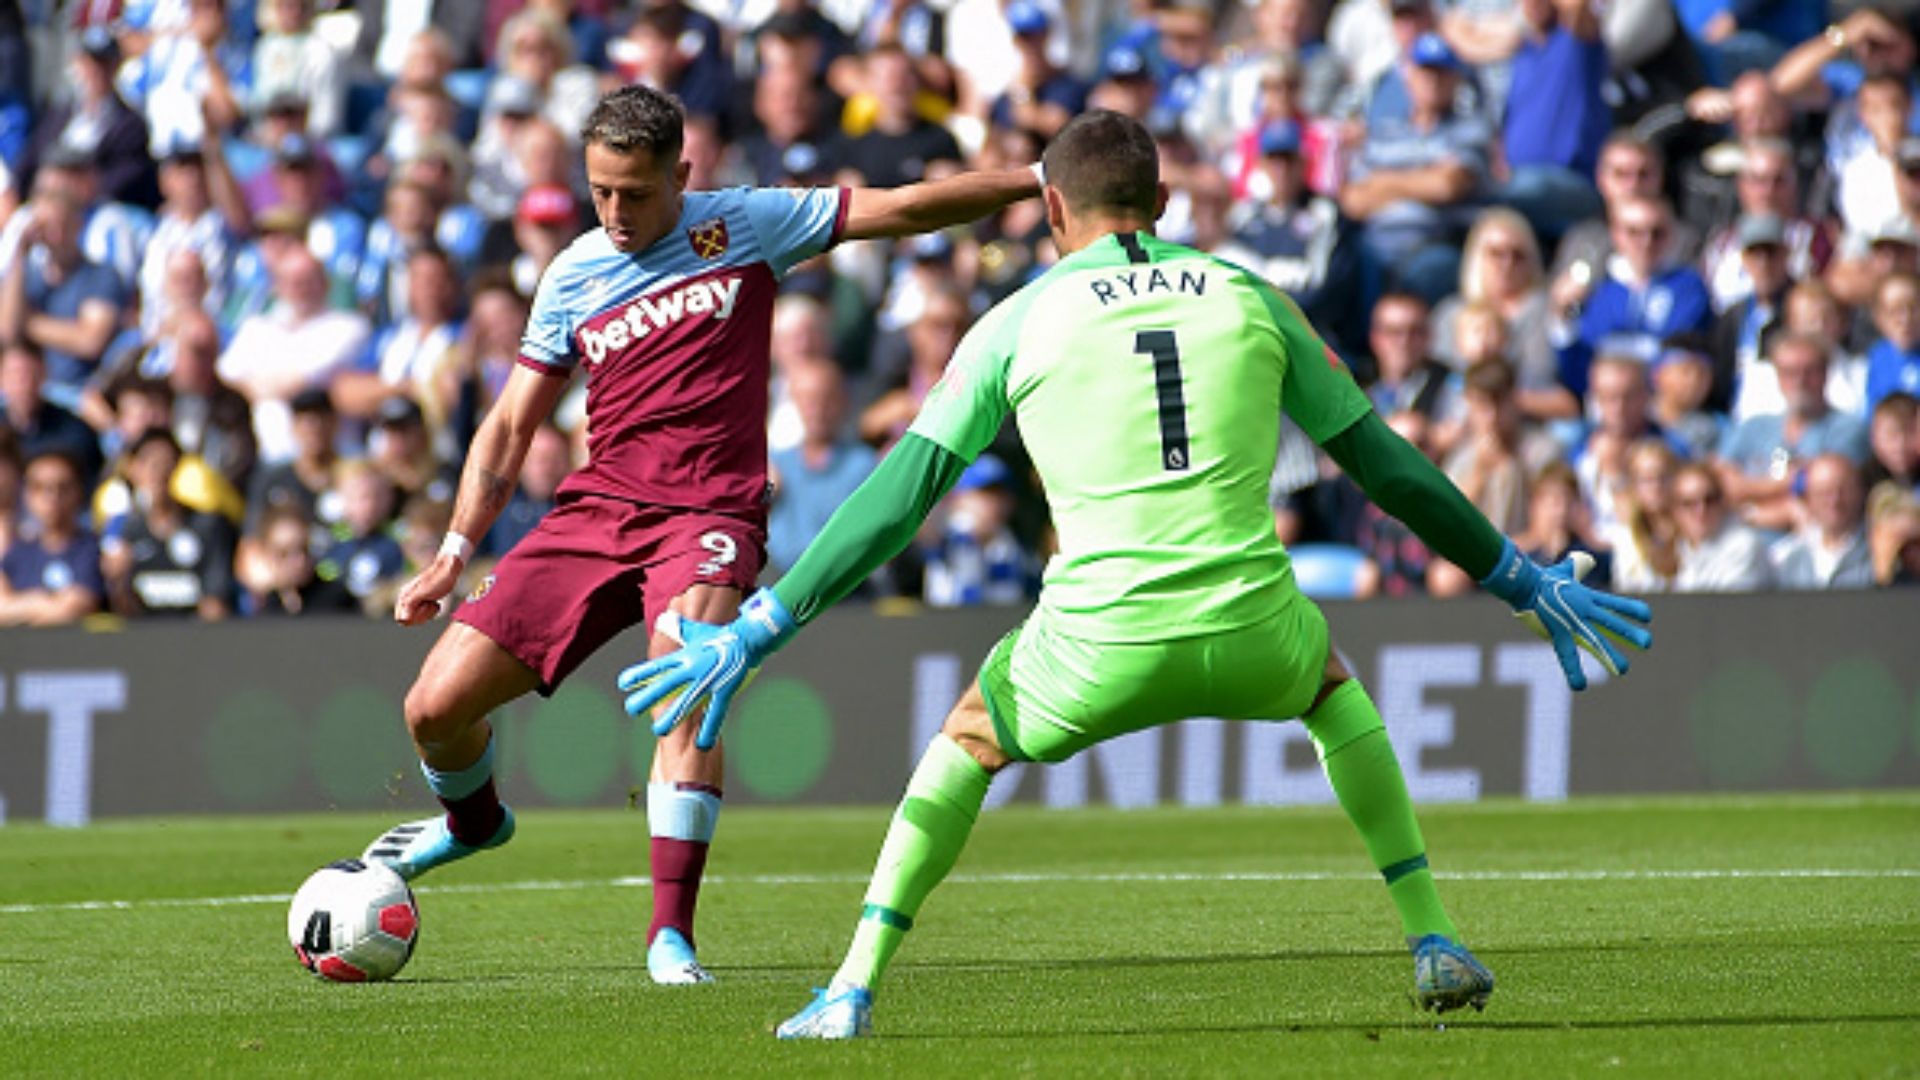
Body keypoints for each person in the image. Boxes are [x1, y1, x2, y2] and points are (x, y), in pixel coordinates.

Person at [617, 110, 1653, 1038]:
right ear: (1164, 202)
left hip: (1094, 647)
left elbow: (901, 496)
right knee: (1334, 689)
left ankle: (852, 985)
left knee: (968, 739)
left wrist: (764, 623)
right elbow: (1386, 467)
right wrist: (1518, 576)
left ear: (1049, 206)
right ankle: (1430, 934)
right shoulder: (1252, 292)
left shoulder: (1015, 321)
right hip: (1254, 629)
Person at [355, 84, 1046, 987]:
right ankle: (475, 821)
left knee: (688, 670)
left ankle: (668, 935)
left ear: (682, 174)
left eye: (635, 193)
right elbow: (512, 426)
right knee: (433, 708)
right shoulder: (572, 274)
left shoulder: (749, 225)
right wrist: (452, 551)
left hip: (708, 516)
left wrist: (1040, 176)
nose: (616, 213)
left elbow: (908, 208)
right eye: (599, 191)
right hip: (595, 513)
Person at [0, 449, 105, 626]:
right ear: (27, 495)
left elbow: (77, 606)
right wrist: (40, 602)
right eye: (40, 488)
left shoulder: (92, 549)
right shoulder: (17, 553)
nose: (52, 497)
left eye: (62, 488)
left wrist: (21, 607)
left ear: (79, 492)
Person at [1768, 453, 1875, 589]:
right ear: (1808, 498)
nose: (1834, 501)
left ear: (1861, 492)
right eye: (1824, 493)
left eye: (1844, 491)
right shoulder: (1786, 557)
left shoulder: (1880, 549)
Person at [1670, 462, 1772, 591]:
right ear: (1675, 510)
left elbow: (1728, 607)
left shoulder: (1743, 545)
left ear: (1722, 502)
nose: (1701, 510)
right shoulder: (1680, 548)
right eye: (1688, 503)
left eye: (1710, 499)